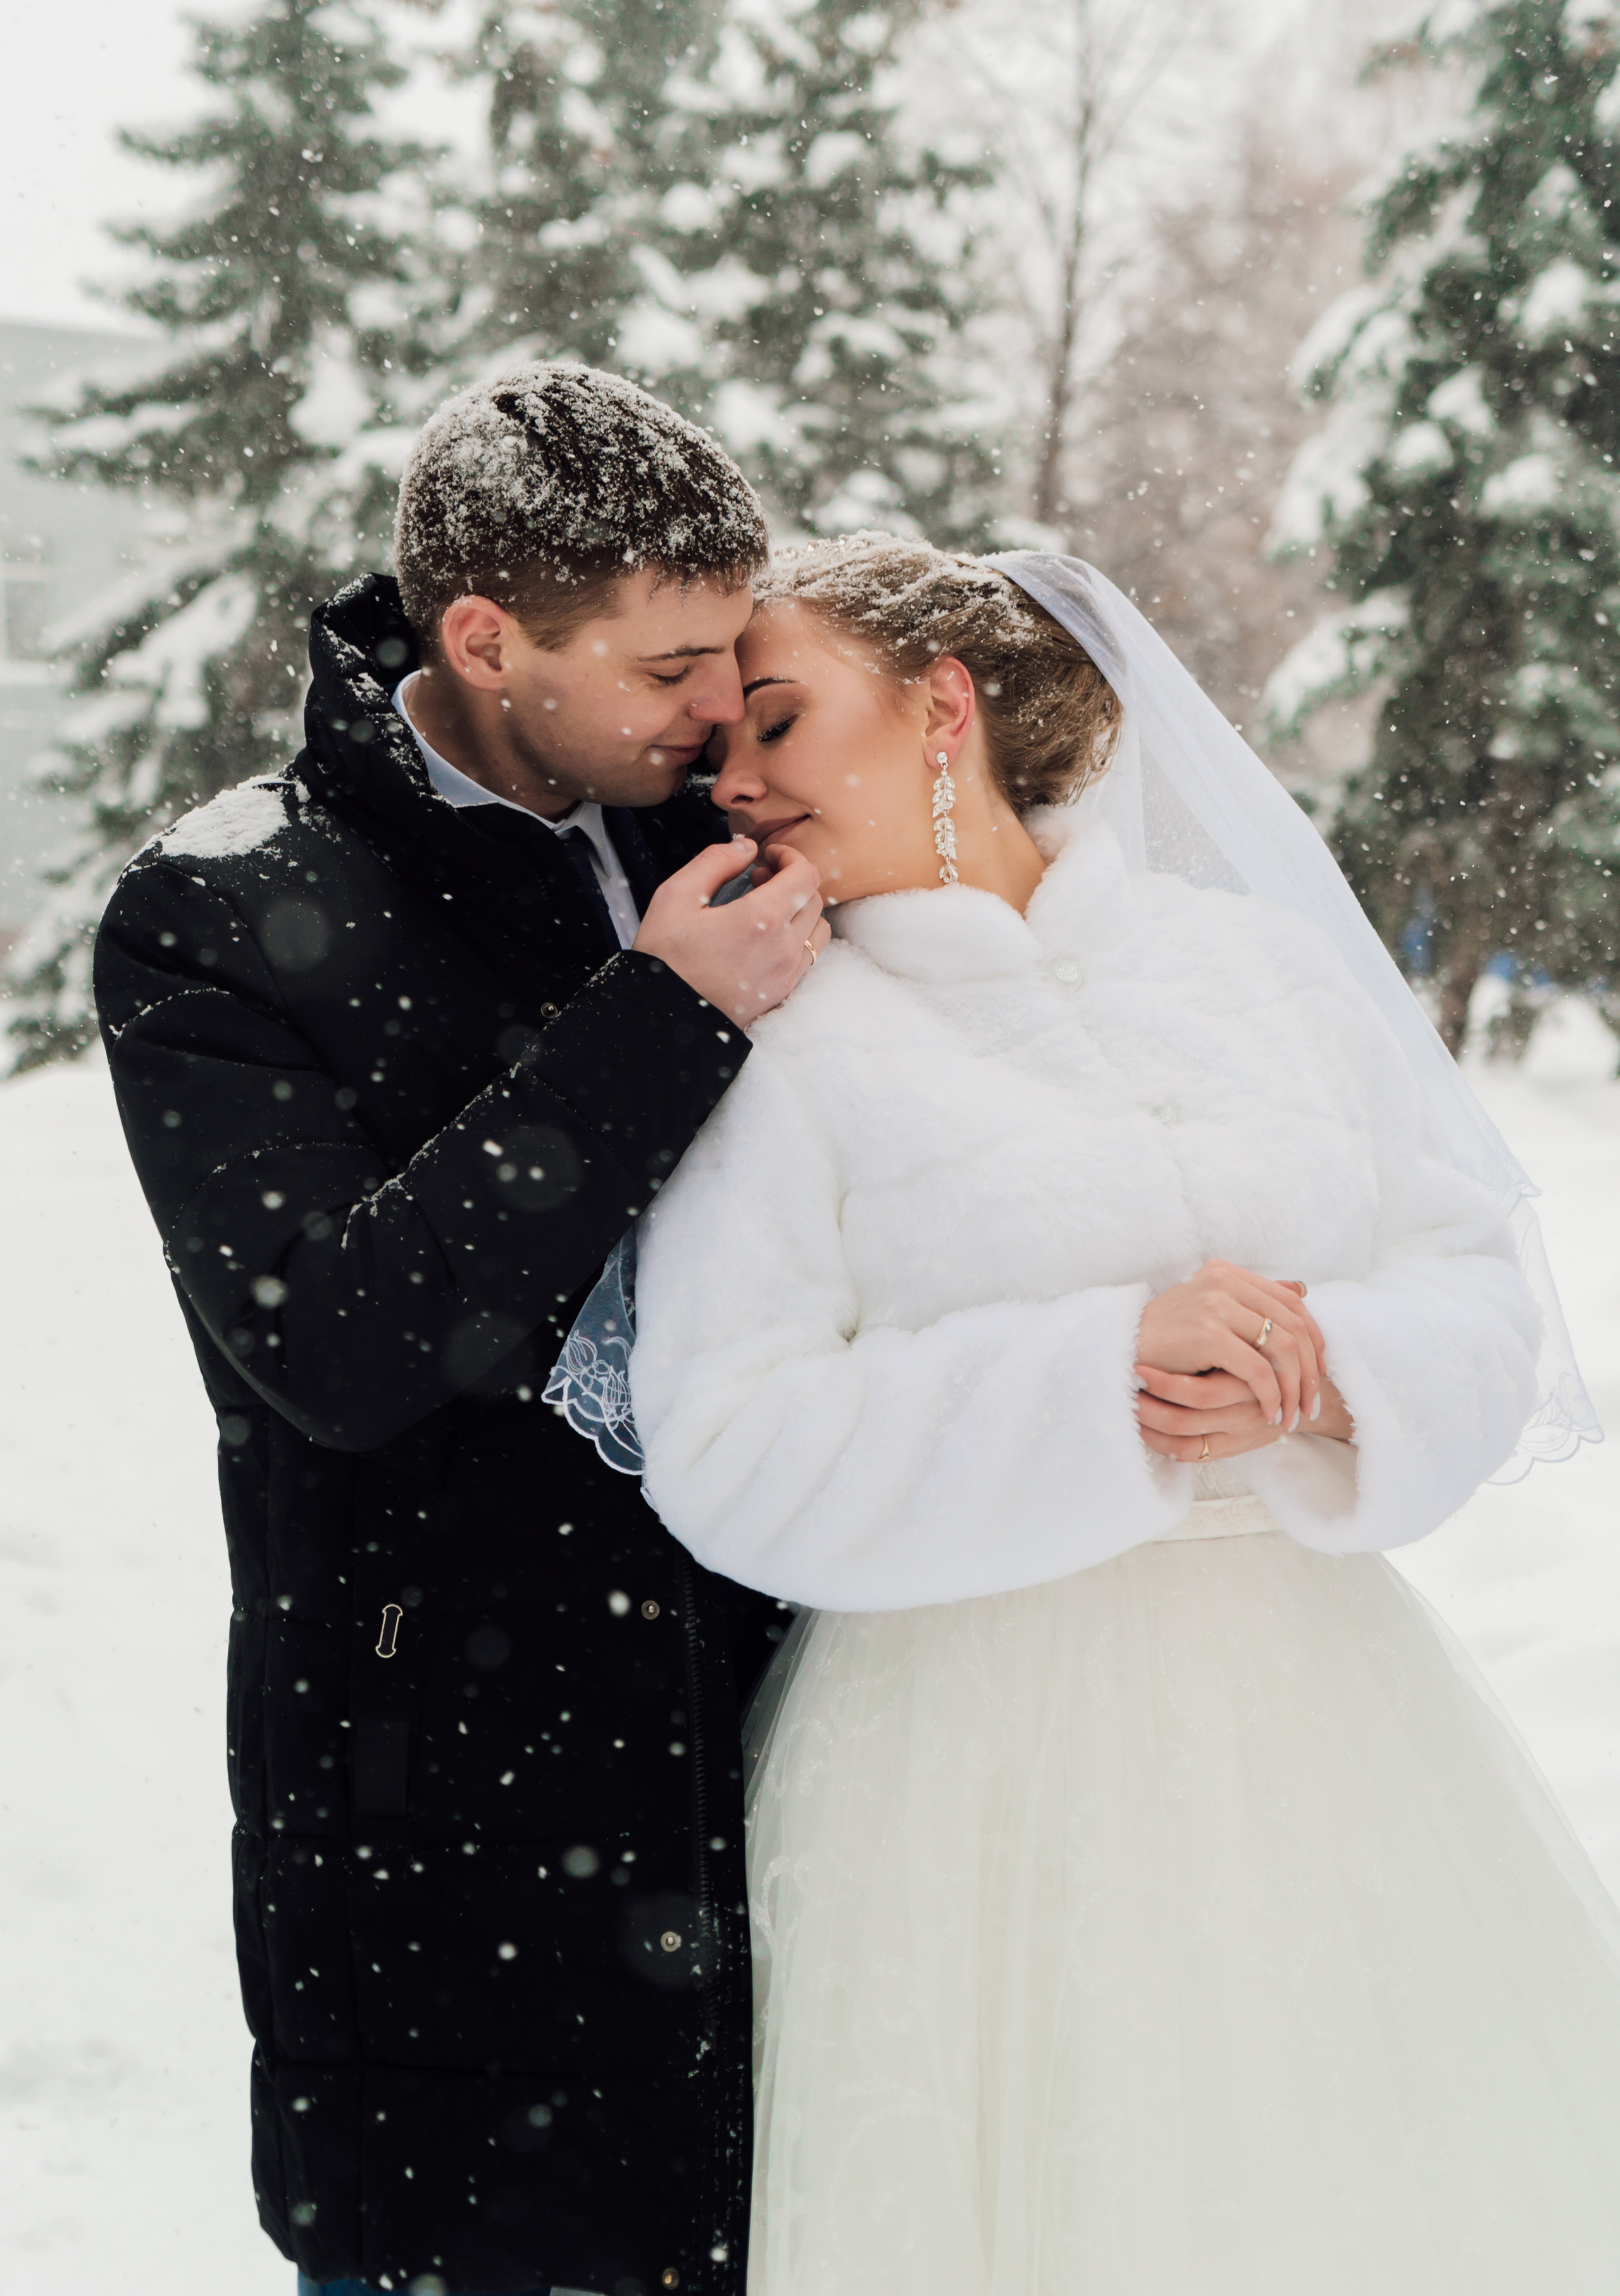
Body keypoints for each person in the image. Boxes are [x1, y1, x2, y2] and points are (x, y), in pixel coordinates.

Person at [587, 535, 1620, 2292]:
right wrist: (1096, 1377)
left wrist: (1329, 1366)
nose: (737, 780)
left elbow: (1473, 1286)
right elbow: (729, 1437)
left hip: (1321, 1723)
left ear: (946, 705)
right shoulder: (784, 1037)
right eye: (719, 752)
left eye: (776, 717)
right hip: (963, 1765)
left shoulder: (1259, 975)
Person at [92, 363, 828, 2296]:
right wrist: (661, 1020)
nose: (715, 707)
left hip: (786, 1751)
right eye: (671, 662)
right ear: (489, 638)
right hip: (453, 1803)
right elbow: (327, 1341)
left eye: (732, 654)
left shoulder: (720, 826)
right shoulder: (219, 909)